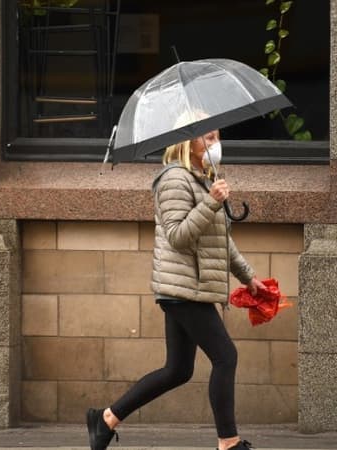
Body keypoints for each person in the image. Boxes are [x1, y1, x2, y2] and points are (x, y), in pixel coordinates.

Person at [86, 127, 266, 450]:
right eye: (208, 138)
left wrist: (248, 278)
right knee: (226, 356)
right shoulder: (173, 180)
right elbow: (178, 236)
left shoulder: (203, 178)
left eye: (217, 137)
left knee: (178, 370)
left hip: (190, 287)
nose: (216, 144)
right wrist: (211, 203)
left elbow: (220, 242)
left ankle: (105, 420)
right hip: (182, 289)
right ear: (189, 141)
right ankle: (228, 443)